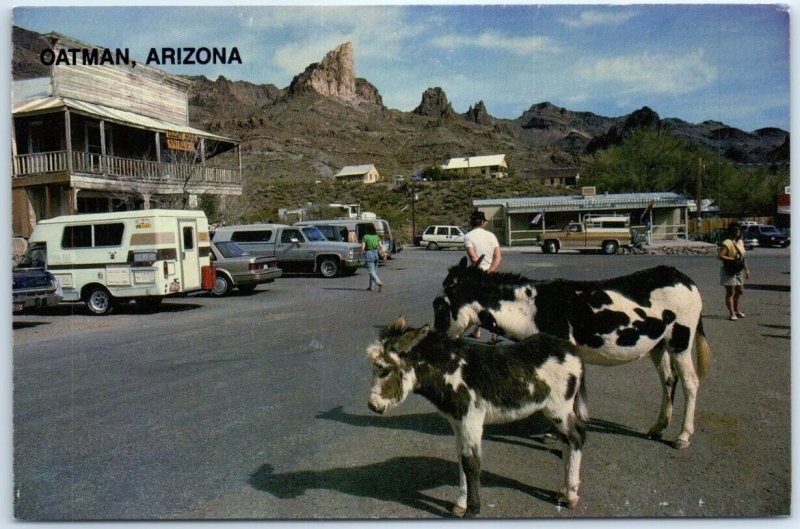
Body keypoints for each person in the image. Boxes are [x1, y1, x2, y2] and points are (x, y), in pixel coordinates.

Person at [464, 210, 502, 340]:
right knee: (491, 304)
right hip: (491, 274)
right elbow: (498, 257)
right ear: (482, 222)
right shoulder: (491, 236)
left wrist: (481, 272)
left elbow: (474, 258)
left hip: (477, 275)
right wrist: (490, 271)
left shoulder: (468, 236)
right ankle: (493, 334)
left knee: (476, 305)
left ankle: (476, 331)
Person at [718, 222, 750, 321]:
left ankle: (737, 310)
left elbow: (743, 258)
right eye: (735, 230)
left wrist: (747, 270)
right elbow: (720, 256)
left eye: (739, 230)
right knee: (730, 292)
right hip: (729, 269)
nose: (737, 231)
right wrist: (732, 259)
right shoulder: (727, 242)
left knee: (740, 291)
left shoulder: (740, 242)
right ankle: (732, 313)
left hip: (739, 269)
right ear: (731, 231)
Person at [361, 223, 385, 292]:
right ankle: (371, 286)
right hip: (376, 254)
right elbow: (381, 246)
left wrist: (361, 254)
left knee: (370, 271)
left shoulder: (365, 237)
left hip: (368, 253)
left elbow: (362, 247)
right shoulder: (376, 236)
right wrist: (383, 254)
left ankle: (378, 282)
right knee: (374, 271)